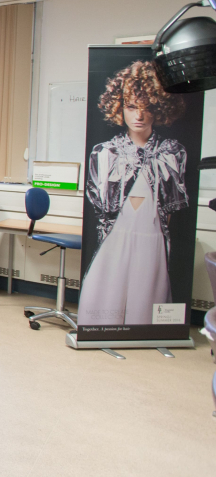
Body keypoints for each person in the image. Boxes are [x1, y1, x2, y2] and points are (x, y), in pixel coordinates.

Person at [78, 60, 188, 326]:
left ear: (158, 108)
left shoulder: (172, 153)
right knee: (106, 294)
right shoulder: (104, 153)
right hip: (115, 237)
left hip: (152, 237)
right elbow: (100, 208)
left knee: (146, 297)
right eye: (131, 107)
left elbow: (171, 210)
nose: (139, 115)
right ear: (119, 107)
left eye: (146, 107)